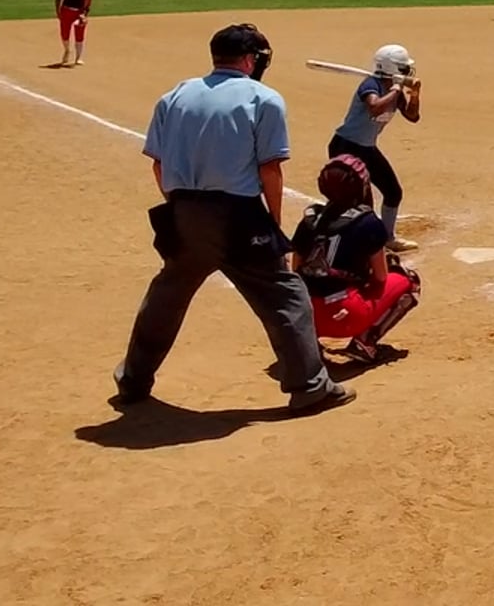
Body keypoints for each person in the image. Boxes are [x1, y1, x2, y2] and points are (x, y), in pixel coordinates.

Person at [114, 24, 354, 416]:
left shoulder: (175, 95)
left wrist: (182, 208)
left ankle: (133, 380)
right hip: (237, 217)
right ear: (249, 60)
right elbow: (270, 169)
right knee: (285, 295)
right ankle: (310, 388)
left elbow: (158, 165)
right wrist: (273, 224)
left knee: (167, 296)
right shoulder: (263, 99)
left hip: (183, 210)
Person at [291, 155, 422, 364]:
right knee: (409, 281)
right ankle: (365, 342)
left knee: (311, 287)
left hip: (304, 315)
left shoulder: (310, 219)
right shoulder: (367, 222)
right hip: (346, 316)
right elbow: (380, 277)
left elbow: (296, 271)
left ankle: (310, 343)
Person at [326, 44, 422, 249]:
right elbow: (375, 107)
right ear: (392, 68)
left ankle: (387, 238)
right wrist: (396, 89)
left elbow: (412, 116)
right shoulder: (370, 85)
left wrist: (414, 95)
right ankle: (332, 236)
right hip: (346, 147)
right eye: (403, 68)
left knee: (393, 191)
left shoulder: (394, 92)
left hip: (366, 149)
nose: (407, 72)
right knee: (358, 200)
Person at [54, 0, 91, 66]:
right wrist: (58, 11)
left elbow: (87, 3)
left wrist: (84, 15)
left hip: (79, 13)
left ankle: (78, 58)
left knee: (79, 34)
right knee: (64, 33)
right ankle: (67, 50)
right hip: (66, 11)